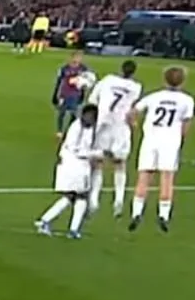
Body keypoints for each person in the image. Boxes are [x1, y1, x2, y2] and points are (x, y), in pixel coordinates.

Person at [127, 66, 195, 232]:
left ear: (164, 79)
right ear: (183, 81)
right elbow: (186, 123)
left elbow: (133, 111)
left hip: (151, 140)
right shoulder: (187, 100)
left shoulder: (154, 96)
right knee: (167, 178)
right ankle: (163, 215)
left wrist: (134, 124)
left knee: (144, 176)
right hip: (170, 142)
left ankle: (136, 212)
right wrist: (181, 139)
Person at [35, 104, 103, 240]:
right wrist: (97, 154)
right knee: (78, 196)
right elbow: (75, 150)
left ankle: (49, 222)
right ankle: (67, 228)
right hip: (73, 165)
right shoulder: (76, 128)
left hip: (79, 166)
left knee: (73, 196)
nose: (90, 119)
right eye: (88, 115)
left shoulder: (89, 129)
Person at [86, 60, 142, 216]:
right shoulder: (136, 87)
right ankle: (119, 199)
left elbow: (92, 100)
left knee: (98, 163)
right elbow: (132, 110)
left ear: (120, 69)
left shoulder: (107, 80)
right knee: (119, 163)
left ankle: (94, 199)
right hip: (120, 126)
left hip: (103, 124)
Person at [51, 51, 90, 137]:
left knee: (74, 113)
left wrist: (83, 94)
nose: (78, 59)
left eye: (79, 57)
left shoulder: (83, 69)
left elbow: (86, 82)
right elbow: (59, 81)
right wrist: (55, 94)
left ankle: (69, 129)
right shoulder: (64, 68)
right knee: (62, 112)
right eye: (76, 57)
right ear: (71, 58)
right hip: (64, 94)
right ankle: (59, 131)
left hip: (76, 94)